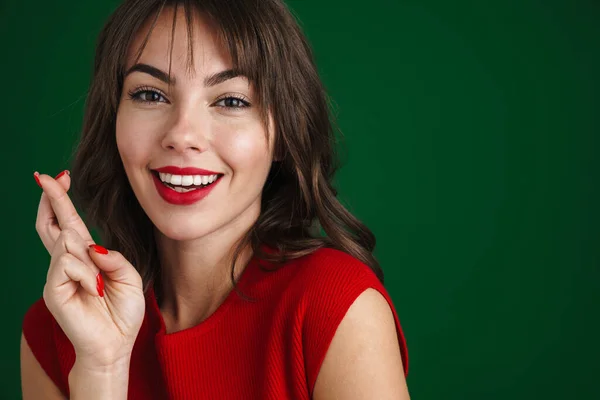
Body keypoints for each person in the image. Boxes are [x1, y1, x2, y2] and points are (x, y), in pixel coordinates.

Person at [20, 0, 410, 399]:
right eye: (151, 94)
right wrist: (101, 371)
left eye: (231, 101)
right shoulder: (55, 331)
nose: (182, 135)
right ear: (112, 117)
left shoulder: (336, 305)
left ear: (283, 133)